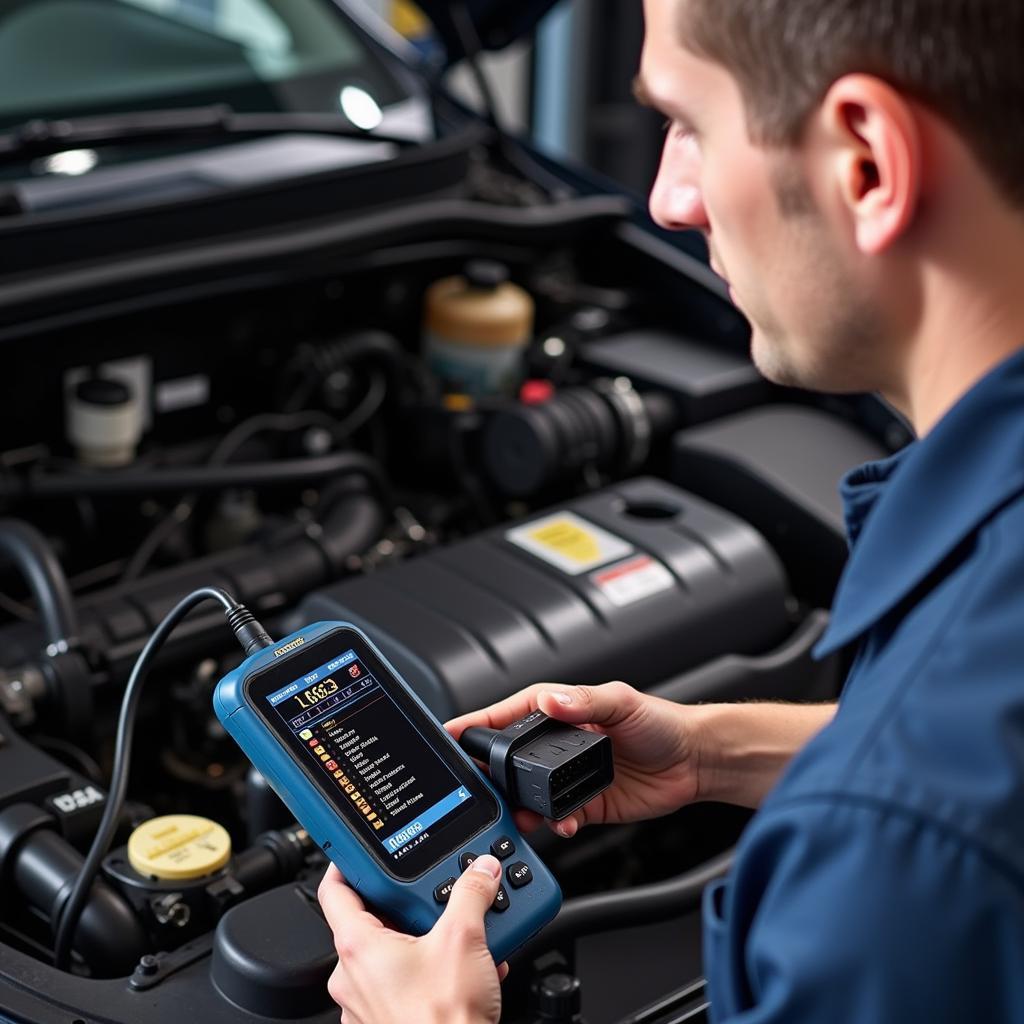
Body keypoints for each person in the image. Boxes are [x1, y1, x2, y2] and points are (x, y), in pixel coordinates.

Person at [318, 0, 1024, 1019]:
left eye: (688, 124)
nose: (666, 199)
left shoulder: (886, 880)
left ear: (864, 161)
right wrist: (714, 752)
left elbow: (927, 820)